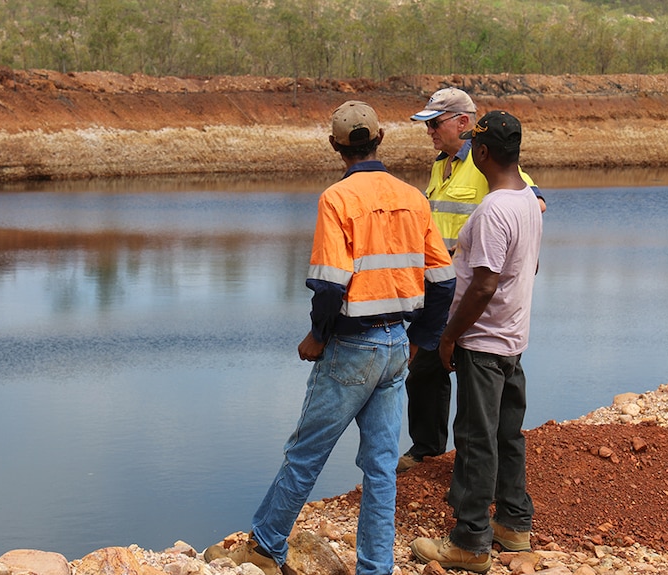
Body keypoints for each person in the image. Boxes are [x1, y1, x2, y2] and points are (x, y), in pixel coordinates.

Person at [204, 100, 455, 575]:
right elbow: (444, 283)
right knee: (381, 468)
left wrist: (317, 335)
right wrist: (420, 338)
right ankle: (375, 568)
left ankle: (266, 546)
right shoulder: (413, 197)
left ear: (335, 145)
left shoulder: (337, 199)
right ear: (380, 139)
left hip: (352, 349)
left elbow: (329, 283)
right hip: (396, 346)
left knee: (305, 454)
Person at [410, 111, 543, 573]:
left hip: (483, 343)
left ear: (482, 152)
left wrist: (448, 337)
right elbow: (528, 268)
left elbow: (483, 285)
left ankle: (470, 541)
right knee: (507, 433)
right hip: (512, 339)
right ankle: (513, 524)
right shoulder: (528, 200)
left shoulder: (493, 210)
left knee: (474, 438)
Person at [398, 88, 545, 473]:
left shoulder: (484, 162)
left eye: (435, 123)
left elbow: (533, 201)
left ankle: (474, 467)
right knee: (425, 369)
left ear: (463, 122)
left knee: (474, 372)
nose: (429, 131)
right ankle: (428, 448)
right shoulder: (439, 166)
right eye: (426, 124)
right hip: (437, 288)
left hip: (472, 292)